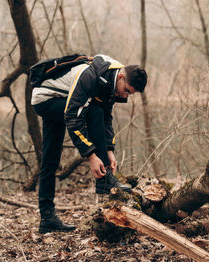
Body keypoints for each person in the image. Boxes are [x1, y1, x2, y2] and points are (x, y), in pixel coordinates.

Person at [31, 54, 147, 234]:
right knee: (93, 111)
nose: (126, 95)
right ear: (122, 77)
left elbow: (106, 118)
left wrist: (109, 150)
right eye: (127, 91)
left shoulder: (111, 81)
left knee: (50, 160)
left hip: (61, 98)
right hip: (45, 98)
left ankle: (47, 218)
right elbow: (73, 116)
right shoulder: (91, 77)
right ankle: (105, 180)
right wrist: (92, 155)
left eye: (130, 94)